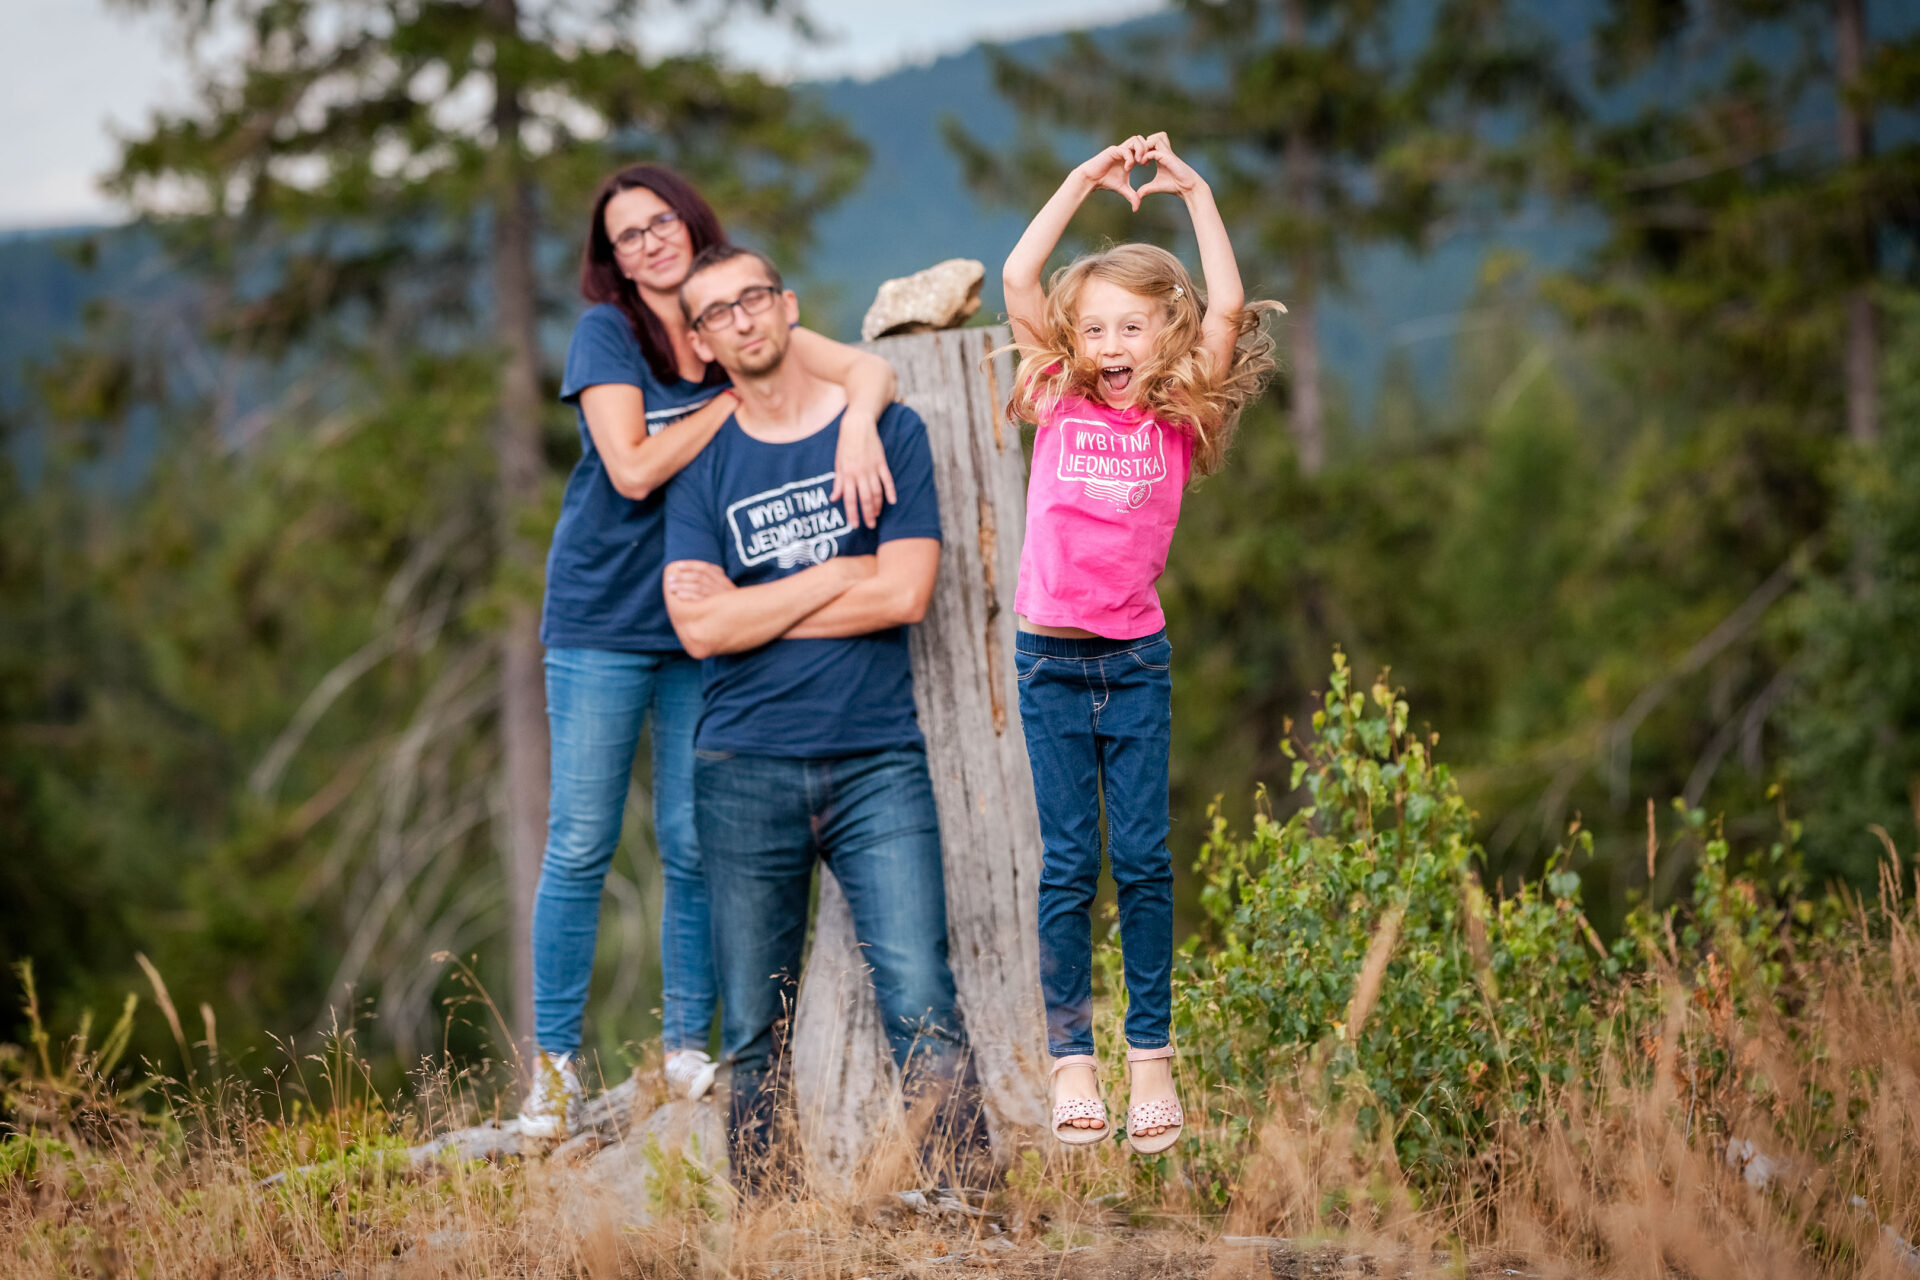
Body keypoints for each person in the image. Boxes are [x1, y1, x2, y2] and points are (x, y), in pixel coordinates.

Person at [521, 164, 902, 1138]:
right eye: (627, 236)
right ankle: (555, 1066)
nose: (650, 241)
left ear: (691, 223)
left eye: (661, 222)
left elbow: (865, 369)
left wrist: (858, 425)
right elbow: (634, 466)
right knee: (580, 841)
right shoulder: (610, 335)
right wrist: (735, 400)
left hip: (707, 619)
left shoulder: (733, 311)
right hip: (604, 619)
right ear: (610, 261)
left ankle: (688, 1046)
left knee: (695, 840)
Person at [660, 243, 986, 1189]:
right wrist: (839, 569)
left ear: (788, 304)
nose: (745, 318)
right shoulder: (700, 465)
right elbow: (700, 628)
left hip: (875, 761)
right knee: (754, 1025)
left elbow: (905, 594)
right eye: (719, 311)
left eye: (755, 297)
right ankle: (769, 1224)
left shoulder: (889, 433)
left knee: (923, 997)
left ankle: (964, 1201)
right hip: (741, 766)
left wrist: (761, 603)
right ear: (704, 340)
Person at [1000, 133, 1280, 1153]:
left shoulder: (1178, 420)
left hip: (1133, 661)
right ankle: (1072, 1057)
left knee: (1148, 859)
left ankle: (1151, 1059)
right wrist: (1081, 179)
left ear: (1168, 337)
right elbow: (1021, 274)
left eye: (1134, 326)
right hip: (1047, 660)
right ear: (1075, 338)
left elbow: (1233, 308)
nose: (1114, 343)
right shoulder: (1058, 395)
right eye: (1098, 326)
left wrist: (1198, 190)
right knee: (1071, 860)